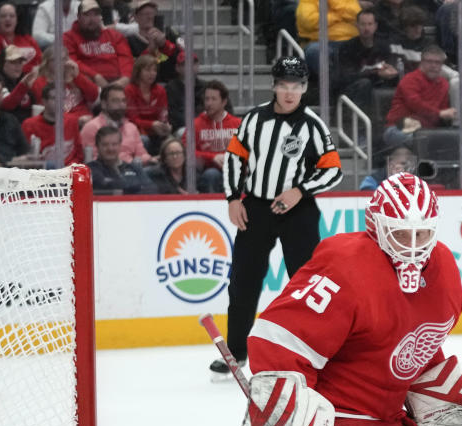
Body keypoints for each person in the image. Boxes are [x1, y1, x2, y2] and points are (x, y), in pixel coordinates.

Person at [244, 172, 462, 426]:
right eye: (401, 234)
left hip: (388, 420)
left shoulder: (445, 269)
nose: (413, 246)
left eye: (423, 234)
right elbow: (277, 344)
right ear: (376, 227)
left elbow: (419, 345)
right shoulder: (345, 265)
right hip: (337, 421)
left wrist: (448, 398)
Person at [212, 56, 343, 375]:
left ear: (304, 88)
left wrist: (299, 190)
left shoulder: (312, 125)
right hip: (256, 208)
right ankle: (237, 351)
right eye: (284, 85)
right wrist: (233, 198)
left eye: (296, 86)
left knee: (307, 283)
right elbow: (234, 159)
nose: (289, 92)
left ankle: (314, 349)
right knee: (243, 280)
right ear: (274, 85)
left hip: (298, 210)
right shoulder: (254, 119)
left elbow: (333, 170)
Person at [383, 46, 456, 149]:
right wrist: (439, 113)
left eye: (437, 62)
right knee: (426, 141)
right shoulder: (409, 79)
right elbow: (415, 104)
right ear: (421, 62)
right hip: (399, 129)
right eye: (429, 61)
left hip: (427, 132)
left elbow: (443, 111)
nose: (433, 65)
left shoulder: (444, 84)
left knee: (455, 139)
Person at [333, 9, 399, 113]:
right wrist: (377, 74)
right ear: (356, 25)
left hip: (378, 85)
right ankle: (358, 124)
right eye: (363, 24)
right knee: (364, 83)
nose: (366, 28)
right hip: (352, 89)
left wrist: (393, 74)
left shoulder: (384, 47)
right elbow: (347, 77)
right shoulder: (347, 47)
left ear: (375, 26)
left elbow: (391, 70)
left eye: (370, 24)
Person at [63, 0, 134, 88]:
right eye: (87, 15)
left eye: (96, 14)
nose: (92, 19)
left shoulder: (114, 36)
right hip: (89, 84)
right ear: (78, 17)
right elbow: (72, 62)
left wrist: (125, 78)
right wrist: (95, 76)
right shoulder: (68, 38)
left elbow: (126, 58)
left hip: (119, 83)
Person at [78, 83, 152, 164]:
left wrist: (150, 159)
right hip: (105, 173)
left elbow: (141, 154)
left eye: (123, 100)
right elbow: (93, 161)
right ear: (104, 104)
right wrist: (129, 163)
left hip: (132, 171)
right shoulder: (91, 127)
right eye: (115, 101)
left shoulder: (131, 127)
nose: (121, 105)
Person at [20, 82, 82, 166]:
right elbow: (25, 157)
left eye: (62, 98)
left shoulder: (72, 121)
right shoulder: (29, 125)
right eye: (54, 98)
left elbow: (79, 154)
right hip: (43, 173)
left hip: (69, 171)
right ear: (44, 101)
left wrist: (70, 167)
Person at [0, 2, 42, 79]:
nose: (8, 19)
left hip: (32, 82)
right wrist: (30, 69)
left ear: (17, 20)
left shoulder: (28, 40)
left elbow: (41, 64)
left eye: (12, 16)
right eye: (3, 16)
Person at [31, 46, 97, 119]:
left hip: (85, 118)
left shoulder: (75, 76)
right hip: (61, 122)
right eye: (55, 59)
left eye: (64, 59)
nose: (60, 63)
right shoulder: (39, 82)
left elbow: (93, 96)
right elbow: (48, 110)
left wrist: (78, 76)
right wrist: (75, 120)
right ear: (47, 62)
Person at [86, 124, 155, 194]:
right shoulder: (90, 169)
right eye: (105, 145)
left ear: (120, 145)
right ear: (97, 146)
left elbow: (151, 190)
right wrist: (135, 187)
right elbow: (103, 184)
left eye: (114, 144)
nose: (110, 148)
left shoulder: (133, 167)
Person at [190, 79, 240, 175]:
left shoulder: (237, 124)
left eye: (213, 99)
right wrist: (212, 157)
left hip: (234, 170)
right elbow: (187, 152)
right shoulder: (195, 124)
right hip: (205, 171)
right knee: (212, 174)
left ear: (224, 102)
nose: (209, 103)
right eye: (207, 99)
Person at [124, 54, 170, 155]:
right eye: (148, 70)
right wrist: (151, 124)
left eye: (154, 70)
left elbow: (163, 114)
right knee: (143, 139)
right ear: (138, 71)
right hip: (137, 131)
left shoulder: (160, 90)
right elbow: (132, 120)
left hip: (157, 131)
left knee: (171, 141)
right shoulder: (129, 90)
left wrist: (165, 125)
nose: (152, 74)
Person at [146, 136, 215, 193]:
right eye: (171, 154)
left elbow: (203, 193)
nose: (175, 157)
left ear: (184, 155)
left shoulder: (193, 173)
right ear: (165, 158)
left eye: (178, 153)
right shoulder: (156, 174)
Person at [165, 50, 204, 133]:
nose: (190, 67)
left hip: (203, 127)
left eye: (193, 63)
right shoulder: (170, 88)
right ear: (177, 68)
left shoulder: (206, 87)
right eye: (185, 64)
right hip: (180, 128)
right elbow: (173, 114)